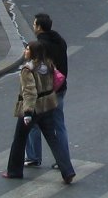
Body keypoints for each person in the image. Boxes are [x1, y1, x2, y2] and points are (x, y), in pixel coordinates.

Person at [2, 41, 75, 184]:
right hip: (47, 107)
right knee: (53, 140)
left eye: (28, 49)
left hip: (33, 108)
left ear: (33, 53)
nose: (25, 51)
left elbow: (29, 92)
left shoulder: (27, 69)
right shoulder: (48, 65)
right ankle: (67, 171)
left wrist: (28, 113)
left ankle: (14, 171)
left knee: (19, 140)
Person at [25, 13, 69, 168]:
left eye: (34, 24)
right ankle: (63, 160)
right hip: (60, 88)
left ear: (39, 27)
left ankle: (33, 156)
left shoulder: (40, 46)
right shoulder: (60, 41)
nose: (33, 26)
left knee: (33, 123)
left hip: (45, 92)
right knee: (59, 125)